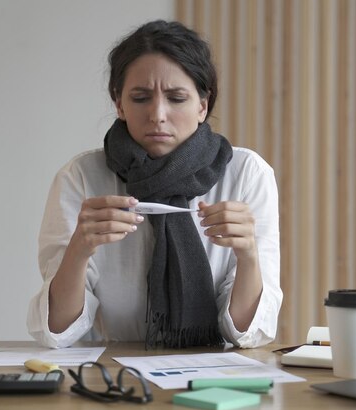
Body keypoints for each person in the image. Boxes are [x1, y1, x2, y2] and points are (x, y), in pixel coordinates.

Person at [27, 20, 282, 349]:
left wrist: (248, 256)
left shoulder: (246, 173)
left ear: (203, 105)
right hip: (116, 378)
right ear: (119, 104)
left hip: (218, 378)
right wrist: (79, 250)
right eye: (140, 98)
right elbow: (58, 331)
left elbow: (248, 334)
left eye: (176, 98)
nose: (158, 114)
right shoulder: (82, 177)